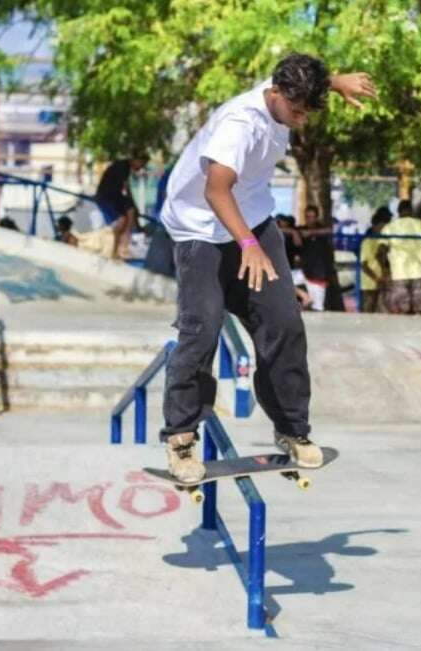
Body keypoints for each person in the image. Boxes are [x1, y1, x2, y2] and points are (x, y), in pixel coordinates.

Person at [159, 53, 375, 482]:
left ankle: (293, 430)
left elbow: (305, 75)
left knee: (284, 323)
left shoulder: (287, 86)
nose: (300, 121)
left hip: (252, 220)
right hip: (199, 229)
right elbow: (217, 190)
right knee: (201, 329)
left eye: (307, 112)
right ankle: (181, 438)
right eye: (295, 111)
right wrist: (249, 246)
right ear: (273, 94)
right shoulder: (240, 125)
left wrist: (337, 80)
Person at [377, 200, 421, 315]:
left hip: (398, 272)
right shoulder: (418, 224)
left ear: (398, 211)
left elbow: (380, 250)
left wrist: (384, 268)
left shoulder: (390, 227)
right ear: (411, 210)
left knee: (402, 307)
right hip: (418, 271)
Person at [95, 156, 146, 258]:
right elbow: (127, 189)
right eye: (141, 164)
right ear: (135, 159)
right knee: (123, 219)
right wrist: (133, 205)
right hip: (106, 197)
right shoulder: (123, 167)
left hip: (112, 196)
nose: (141, 168)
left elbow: (125, 190)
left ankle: (123, 243)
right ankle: (118, 247)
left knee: (130, 211)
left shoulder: (124, 166)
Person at [297, 205, 336, 311]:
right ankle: (304, 296)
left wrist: (311, 233)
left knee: (318, 308)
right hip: (304, 271)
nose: (309, 220)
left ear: (316, 217)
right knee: (283, 279)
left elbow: (329, 230)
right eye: (307, 217)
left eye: (312, 217)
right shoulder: (301, 230)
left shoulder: (322, 231)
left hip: (318, 275)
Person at [275, 214, 312, 309]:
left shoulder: (293, 232)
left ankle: (304, 296)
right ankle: (303, 297)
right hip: (285, 265)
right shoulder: (281, 232)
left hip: (290, 266)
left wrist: (293, 232)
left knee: (283, 284)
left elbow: (298, 245)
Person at [55, 215, 132, 260]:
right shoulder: (68, 234)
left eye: (58, 224)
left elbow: (69, 247)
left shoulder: (67, 234)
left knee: (102, 241)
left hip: (85, 245)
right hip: (84, 244)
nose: (57, 226)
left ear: (62, 226)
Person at [359, 207, 391, 312]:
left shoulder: (385, 242)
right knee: (367, 310)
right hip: (369, 284)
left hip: (382, 283)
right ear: (376, 225)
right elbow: (364, 265)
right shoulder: (367, 242)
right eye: (382, 226)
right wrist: (376, 278)